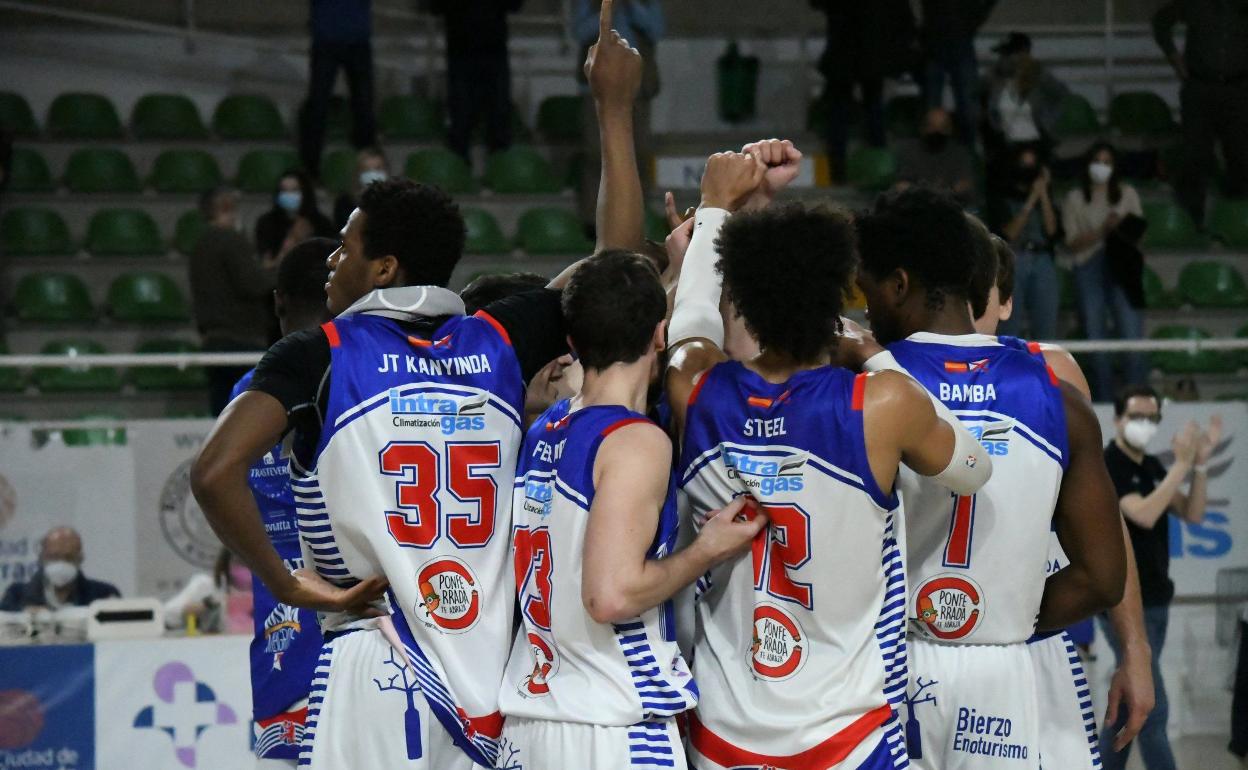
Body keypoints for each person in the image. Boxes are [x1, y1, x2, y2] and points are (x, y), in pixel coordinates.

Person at [190, 12, 639, 768]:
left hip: (380, 658)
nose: (330, 261)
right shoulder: (498, 339)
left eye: (347, 246)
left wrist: (288, 584)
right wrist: (614, 111)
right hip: (492, 668)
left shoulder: (317, 354)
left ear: (387, 268)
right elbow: (617, 268)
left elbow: (212, 472)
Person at [666, 149, 992, 768]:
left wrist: (716, 208)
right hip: (846, 736)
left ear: (744, 299)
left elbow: (692, 323)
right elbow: (973, 468)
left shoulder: (695, 386)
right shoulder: (884, 403)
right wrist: (870, 350)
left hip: (723, 730)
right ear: (840, 295)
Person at [854, 188, 1126, 770]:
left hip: (892, 662)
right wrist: (1007, 618)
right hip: (1003, 668)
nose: (865, 305)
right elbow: (1104, 579)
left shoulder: (866, 387)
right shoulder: (1060, 397)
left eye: (868, 287)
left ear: (899, 285)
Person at [498, 250, 764, 768]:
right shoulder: (635, 441)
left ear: (572, 342)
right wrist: (706, 550)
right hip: (609, 724)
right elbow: (611, 596)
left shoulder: (544, 428)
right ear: (659, 335)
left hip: (529, 725)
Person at [972, 227, 1157, 770]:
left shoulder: (1050, 369)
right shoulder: (889, 372)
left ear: (1006, 302)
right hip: (923, 637)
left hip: (1029, 639)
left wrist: (1136, 648)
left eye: (976, 290)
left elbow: (1100, 523)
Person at [229, 237, 335, 768]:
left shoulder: (246, 397)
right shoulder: (367, 379)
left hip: (285, 647)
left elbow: (217, 485)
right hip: (375, 640)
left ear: (277, 301)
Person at [1099, 385, 1220, 770]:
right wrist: (1182, 464)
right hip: (1124, 602)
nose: (1145, 425)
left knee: (1130, 704)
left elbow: (1193, 511)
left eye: (1152, 418)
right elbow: (1144, 514)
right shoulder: (1110, 466)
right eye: (1137, 417)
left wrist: (1198, 464)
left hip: (1156, 599)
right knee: (1153, 710)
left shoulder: (1150, 466)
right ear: (1118, 419)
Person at [1062, 142, 1146, 402]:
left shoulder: (1128, 193)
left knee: (1133, 338)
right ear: (1088, 165)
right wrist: (1103, 230)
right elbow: (1072, 242)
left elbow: (1139, 233)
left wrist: (1119, 229)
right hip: (1089, 266)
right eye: (1097, 160)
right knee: (1096, 338)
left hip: (1123, 267)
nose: (1102, 166)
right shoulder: (1074, 198)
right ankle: (1104, 404)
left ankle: (1138, 401)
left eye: (1107, 161)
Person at [572, 0, 665, 231]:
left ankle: (638, 219)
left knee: (639, 151)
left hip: (638, 88)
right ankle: (592, 222)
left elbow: (657, 29)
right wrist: (607, 12)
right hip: (597, 87)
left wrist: (631, 6)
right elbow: (579, 31)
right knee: (597, 153)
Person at [1153, 0, 1248, 224]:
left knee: (1241, 157)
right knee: (1194, 157)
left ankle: (1236, 220)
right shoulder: (1195, 3)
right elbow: (1161, 21)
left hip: (1238, 88)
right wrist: (1175, 59)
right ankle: (1190, 222)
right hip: (1199, 87)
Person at [189, 186, 278, 415]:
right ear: (225, 207)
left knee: (221, 414)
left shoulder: (199, 245)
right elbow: (253, 284)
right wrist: (279, 267)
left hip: (213, 340)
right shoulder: (231, 239)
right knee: (245, 414)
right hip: (241, 340)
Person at [809, 0, 918, 179]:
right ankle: (874, 168)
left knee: (845, 113)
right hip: (867, 55)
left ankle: (844, 169)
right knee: (868, 112)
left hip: (849, 53)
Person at [431, 0, 523, 161]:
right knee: (461, 117)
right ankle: (460, 169)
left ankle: (497, 165)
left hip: (491, 50)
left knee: (498, 116)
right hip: (462, 50)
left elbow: (514, 5)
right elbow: (435, 7)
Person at [299, 0, 378, 176]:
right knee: (318, 105)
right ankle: (310, 168)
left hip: (357, 37)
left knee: (364, 106)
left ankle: (369, 167)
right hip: (327, 38)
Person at [990, 144, 1059, 341]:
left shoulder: (1045, 197)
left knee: (1046, 328)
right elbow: (1008, 234)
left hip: (1043, 258)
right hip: (1013, 260)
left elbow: (1052, 231)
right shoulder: (1001, 197)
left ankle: (1042, 370)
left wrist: (1043, 193)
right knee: (1010, 326)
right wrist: (1031, 199)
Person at [920, 0, 997, 145]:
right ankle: (968, 143)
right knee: (967, 103)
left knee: (960, 103)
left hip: (939, 38)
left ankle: (966, 142)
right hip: (954, 37)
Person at [984, 32, 1068, 157]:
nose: (1003, 58)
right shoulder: (994, 78)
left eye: (1008, 54)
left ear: (1023, 54)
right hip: (1004, 144)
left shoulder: (1039, 76)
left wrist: (1046, 122)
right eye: (1002, 54)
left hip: (1035, 142)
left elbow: (1061, 95)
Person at [0, 527, 120, 611]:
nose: (61, 563)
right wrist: (25, 615)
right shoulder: (16, 595)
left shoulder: (104, 594)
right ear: (42, 558)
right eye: (54, 557)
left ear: (80, 559)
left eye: (68, 558)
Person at [894, 107, 978, 204]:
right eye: (932, 126)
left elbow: (964, 186)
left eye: (943, 127)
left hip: (952, 208)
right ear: (922, 128)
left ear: (950, 129)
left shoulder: (960, 153)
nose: (937, 131)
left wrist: (929, 192)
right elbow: (902, 186)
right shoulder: (909, 151)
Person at [255, 171, 336, 262]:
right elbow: (266, 264)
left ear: (305, 193)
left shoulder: (322, 223)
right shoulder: (266, 223)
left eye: (294, 190)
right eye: (284, 190)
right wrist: (292, 240)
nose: (289, 195)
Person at [332, 146, 389, 229]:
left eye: (377, 169)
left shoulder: (397, 199)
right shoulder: (344, 202)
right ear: (358, 173)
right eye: (367, 170)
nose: (373, 174)